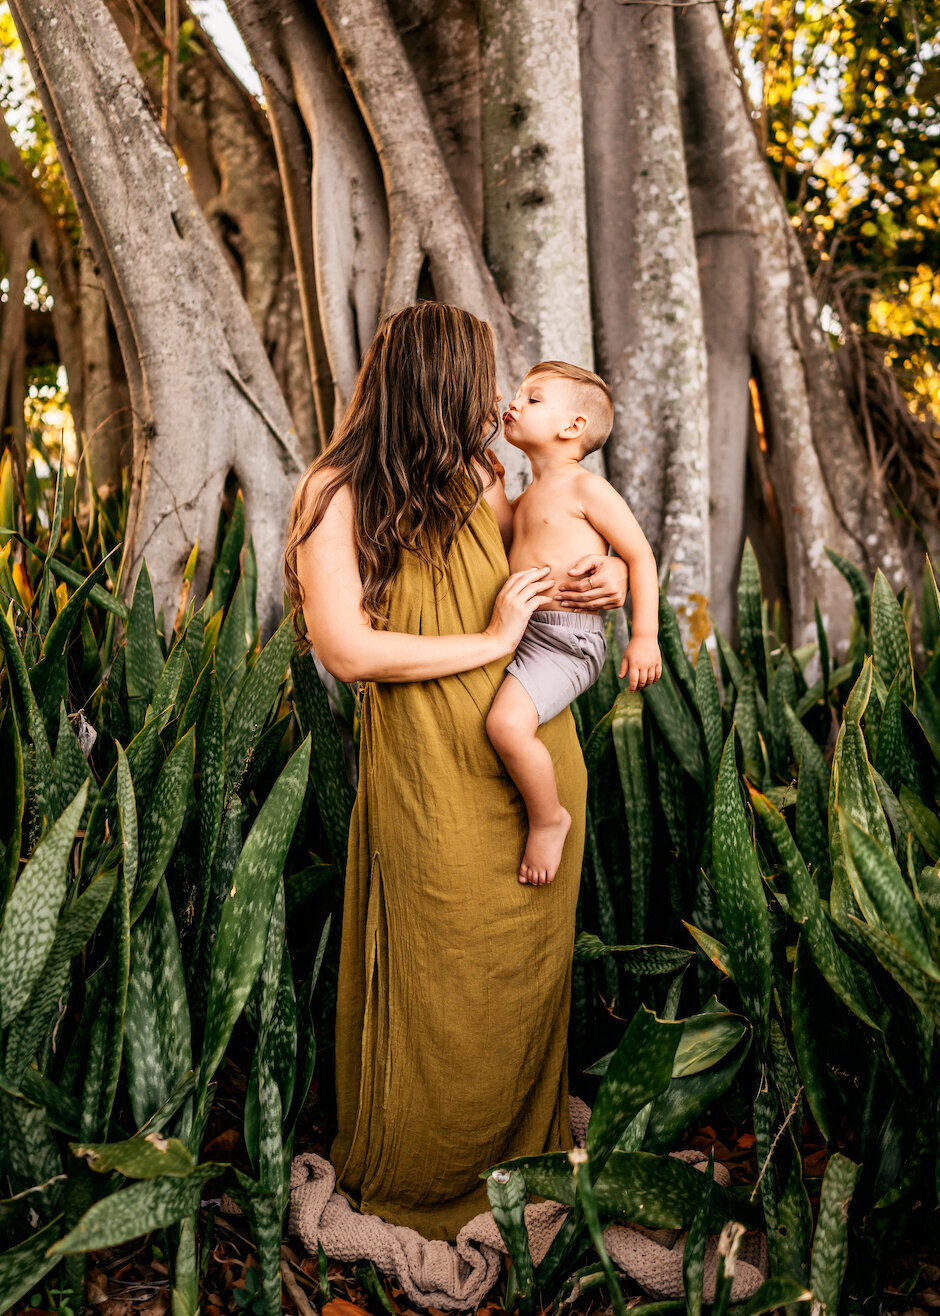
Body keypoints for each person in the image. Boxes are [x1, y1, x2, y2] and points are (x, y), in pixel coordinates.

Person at [283, 303, 629, 1244]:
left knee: (516, 982)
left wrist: (608, 581)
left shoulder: (485, 475)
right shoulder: (337, 492)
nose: (493, 399)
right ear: (436, 385)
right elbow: (346, 652)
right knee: (437, 978)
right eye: (480, 379)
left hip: (530, 777)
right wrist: (486, 641)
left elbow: (550, 550)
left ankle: (511, 1167)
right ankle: (427, 1182)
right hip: (428, 776)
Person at [485, 361, 663, 887]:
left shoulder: (588, 490)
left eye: (533, 398)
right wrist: (491, 481)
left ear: (573, 428)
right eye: (518, 394)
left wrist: (645, 637)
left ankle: (549, 819)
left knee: (505, 726)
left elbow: (640, 558)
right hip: (525, 633)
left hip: (566, 641)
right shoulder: (528, 494)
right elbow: (498, 533)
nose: (514, 403)